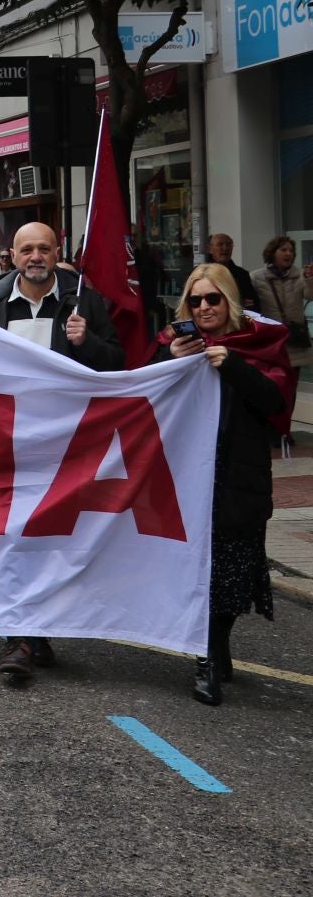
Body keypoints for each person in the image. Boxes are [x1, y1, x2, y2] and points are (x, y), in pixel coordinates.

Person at [0, 221, 124, 681]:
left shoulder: (83, 298)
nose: (35, 257)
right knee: (12, 536)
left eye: (44, 249)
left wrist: (85, 342)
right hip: (7, 441)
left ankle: (36, 631)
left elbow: (117, 363)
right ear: (10, 254)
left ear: (56, 252)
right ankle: (20, 638)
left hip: (65, 441)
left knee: (48, 538)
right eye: (26, 249)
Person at [151, 263, 292, 705]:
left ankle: (216, 646)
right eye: (196, 300)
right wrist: (171, 360)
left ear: (231, 300)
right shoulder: (173, 345)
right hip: (187, 477)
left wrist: (233, 366)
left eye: (214, 298)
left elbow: (275, 403)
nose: (205, 307)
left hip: (239, 475)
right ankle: (208, 657)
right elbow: (140, 391)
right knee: (199, 571)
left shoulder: (261, 344)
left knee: (232, 571)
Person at [253, 236, 311, 381]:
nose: (288, 254)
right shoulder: (256, 277)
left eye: (291, 251)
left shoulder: (299, 276)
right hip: (270, 341)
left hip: (294, 340)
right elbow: (249, 309)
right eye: (283, 250)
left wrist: (309, 280)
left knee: (291, 385)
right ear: (272, 253)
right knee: (273, 385)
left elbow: (310, 296)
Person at [206, 233, 260, 309]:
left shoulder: (242, 274)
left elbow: (252, 302)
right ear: (209, 249)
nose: (225, 248)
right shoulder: (201, 273)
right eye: (220, 244)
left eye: (228, 245)